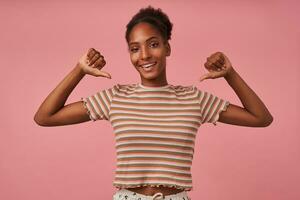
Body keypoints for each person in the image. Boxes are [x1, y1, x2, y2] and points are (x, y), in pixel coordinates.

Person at [34, 6, 273, 200]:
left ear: (167, 48)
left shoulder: (193, 98)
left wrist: (230, 74)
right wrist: (79, 70)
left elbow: (261, 118)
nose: (145, 55)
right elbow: (45, 117)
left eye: (154, 44)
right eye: (135, 49)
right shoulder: (116, 96)